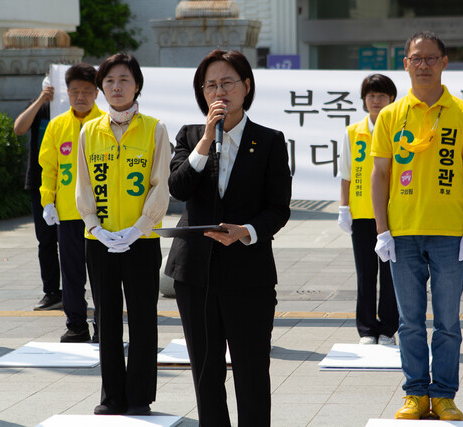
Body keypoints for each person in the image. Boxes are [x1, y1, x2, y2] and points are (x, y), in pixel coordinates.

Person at [165, 49, 292, 426]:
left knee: (252, 370)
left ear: (246, 86)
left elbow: (278, 208)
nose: (219, 92)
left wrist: (246, 232)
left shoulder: (269, 141)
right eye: (211, 85)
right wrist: (205, 140)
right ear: (202, 93)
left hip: (248, 274)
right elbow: (179, 188)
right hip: (195, 275)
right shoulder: (189, 136)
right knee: (206, 372)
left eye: (227, 83)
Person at [371, 31, 463, 421]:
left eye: (430, 58)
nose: (423, 65)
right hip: (402, 233)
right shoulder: (389, 116)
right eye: (415, 59)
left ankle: (445, 395)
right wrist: (381, 230)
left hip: (450, 233)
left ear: (444, 62)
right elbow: (380, 174)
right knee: (410, 321)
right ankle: (416, 394)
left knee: (449, 322)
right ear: (405, 64)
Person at [75, 53, 170, 416]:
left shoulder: (154, 129)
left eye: (124, 80)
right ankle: (111, 395)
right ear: (102, 87)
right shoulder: (90, 131)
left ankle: (139, 395)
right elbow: (83, 185)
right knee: (107, 318)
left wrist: (140, 227)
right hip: (99, 242)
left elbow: (160, 185)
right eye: (110, 80)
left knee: (144, 318)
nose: (116, 87)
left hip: (141, 242)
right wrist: (94, 226)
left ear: (137, 86)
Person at [39, 63, 102, 342]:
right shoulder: (57, 125)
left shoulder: (107, 122)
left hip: (102, 214)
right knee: (72, 274)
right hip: (68, 213)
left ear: (96, 93)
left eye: (86, 91)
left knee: (102, 274)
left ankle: (105, 324)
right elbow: (48, 167)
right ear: (66, 92)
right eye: (75, 90)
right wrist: (47, 201)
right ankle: (76, 325)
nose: (80, 96)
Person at [338, 74, 399, 346]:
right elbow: (346, 174)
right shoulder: (353, 132)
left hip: (393, 214)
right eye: (371, 96)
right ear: (364, 100)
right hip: (361, 213)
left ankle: (388, 328)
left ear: (391, 99)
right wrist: (343, 208)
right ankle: (366, 329)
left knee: (390, 275)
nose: (376, 101)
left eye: (381, 96)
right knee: (365, 273)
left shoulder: (399, 131)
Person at [14, 76, 62, 311]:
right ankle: (52, 291)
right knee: (46, 240)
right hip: (40, 183)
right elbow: (19, 128)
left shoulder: (77, 109)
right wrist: (42, 98)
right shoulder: (39, 106)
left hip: (71, 184)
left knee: (75, 242)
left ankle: (76, 290)